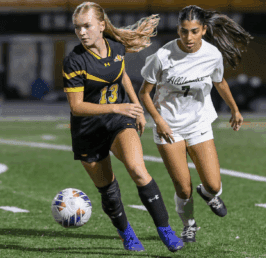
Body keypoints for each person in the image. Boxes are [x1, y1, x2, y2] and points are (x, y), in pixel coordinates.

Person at [63, 2, 183, 253]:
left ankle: (165, 230)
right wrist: (119, 107)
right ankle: (126, 232)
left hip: (118, 121)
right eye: (77, 28)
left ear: (101, 26)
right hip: (88, 130)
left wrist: (135, 106)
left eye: (87, 26)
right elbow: (77, 107)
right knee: (108, 190)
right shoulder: (74, 60)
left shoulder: (116, 47)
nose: (82, 32)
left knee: (139, 170)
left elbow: (121, 74)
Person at [139, 5, 252, 243]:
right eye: (183, 31)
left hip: (199, 123)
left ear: (203, 30)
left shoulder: (212, 55)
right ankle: (189, 225)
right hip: (169, 127)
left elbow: (219, 82)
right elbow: (144, 93)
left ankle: (208, 194)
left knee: (213, 184)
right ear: (178, 30)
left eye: (193, 31)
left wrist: (234, 108)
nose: (188, 38)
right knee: (183, 189)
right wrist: (158, 121)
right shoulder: (162, 56)